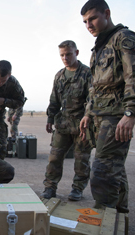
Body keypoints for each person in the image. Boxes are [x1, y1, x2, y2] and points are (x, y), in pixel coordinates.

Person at [80, 0, 135, 213]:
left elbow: (133, 76)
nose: (89, 25)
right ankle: (119, 216)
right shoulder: (99, 47)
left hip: (116, 116)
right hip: (100, 116)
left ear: (107, 13)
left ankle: (103, 219)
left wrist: (130, 113)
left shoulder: (124, 39)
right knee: (114, 169)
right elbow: (96, 86)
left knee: (102, 172)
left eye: (92, 18)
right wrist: (88, 113)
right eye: (85, 22)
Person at [41, 40, 93, 201]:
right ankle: (50, 187)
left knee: (81, 160)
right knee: (55, 157)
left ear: (76, 53)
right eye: (62, 55)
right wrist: (50, 118)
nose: (65, 58)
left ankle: (77, 189)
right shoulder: (59, 76)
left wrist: (88, 117)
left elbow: (92, 98)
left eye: (68, 54)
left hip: (82, 125)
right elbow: (54, 99)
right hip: (63, 125)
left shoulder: (87, 73)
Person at [0, 60, 25, 159]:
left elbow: (20, 102)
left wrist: (4, 101)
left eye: (3, 81)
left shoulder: (13, 83)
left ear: (9, 75)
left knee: (1, 147)